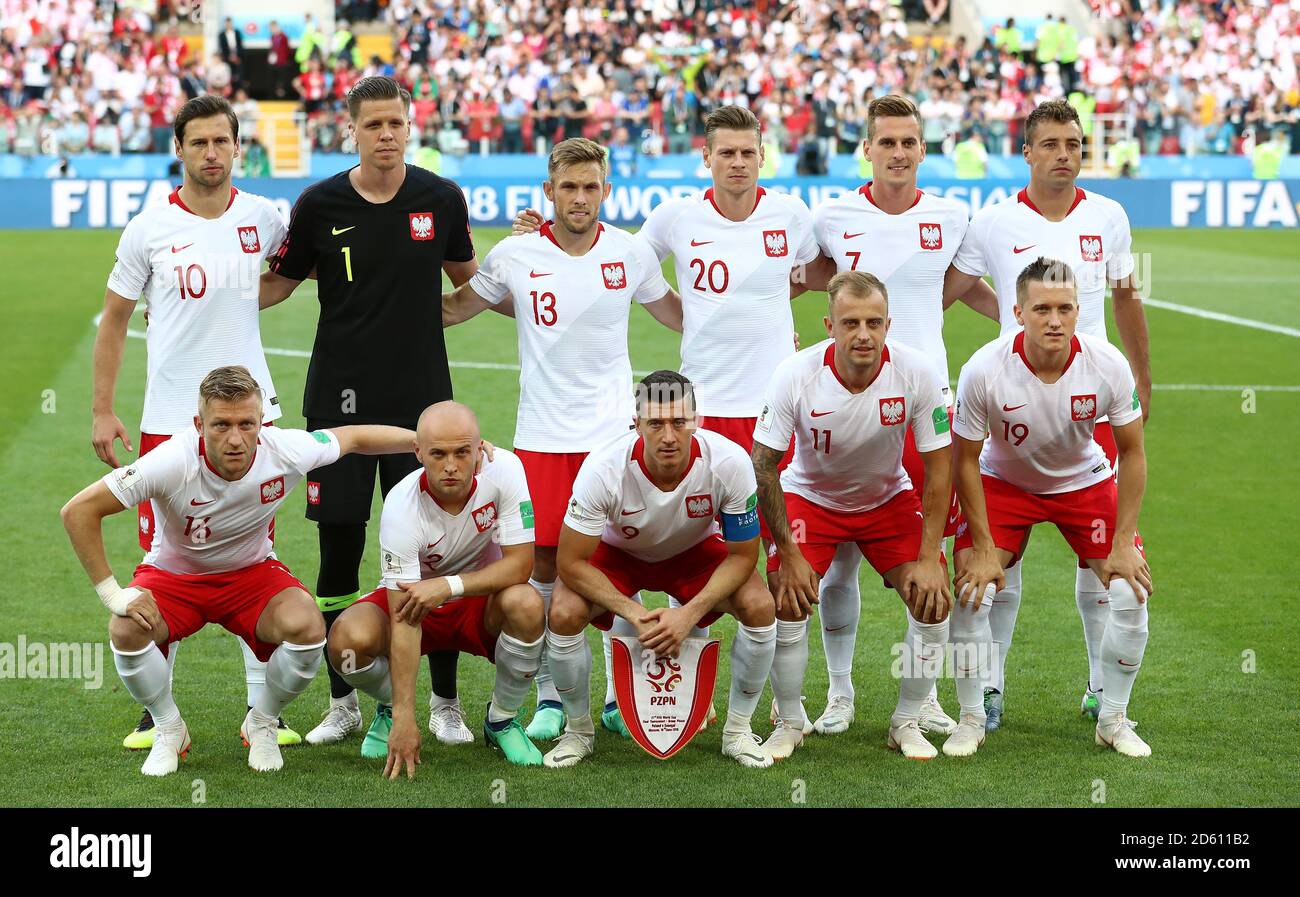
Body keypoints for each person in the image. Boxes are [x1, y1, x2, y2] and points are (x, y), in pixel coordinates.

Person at [260, 76, 479, 748]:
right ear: (349, 129)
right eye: (373, 124)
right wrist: (200, 295)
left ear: (410, 127)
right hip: (339, 405)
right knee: (340, 547)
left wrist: (428, 316)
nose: (386, 135)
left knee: (433, 554)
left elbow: (472, 285)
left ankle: (443, 702)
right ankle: (344, 701)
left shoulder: (439, 198)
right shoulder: (320, 202)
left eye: (396, 124)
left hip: (424, 409)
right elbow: (278, 284)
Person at [61, 366, 418, 776]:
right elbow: (79, 511)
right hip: (176, 578)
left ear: (261, 421)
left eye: (247, 424)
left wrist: (420, 441)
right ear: (200, 424)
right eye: (221, 425)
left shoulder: (285, 449)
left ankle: (262, 722)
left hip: (251, 576)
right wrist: (114, 594)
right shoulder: (171, 461)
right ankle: (168, 728)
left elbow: (353, 436)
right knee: (124, 628)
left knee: (307, 627)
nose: (235, 438)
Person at [442, 137, 682, 744]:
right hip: (543, 438)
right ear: (548, 192)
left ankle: (612, 697)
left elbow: (680, 314)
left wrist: (757, 310)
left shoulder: (630, 254)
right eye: (568, 187)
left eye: (590, 186)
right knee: (544, 566)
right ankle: (551, 695)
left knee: (611, 563)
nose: (580, 198)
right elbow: (453, 310)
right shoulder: (516, 254)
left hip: (611, 439)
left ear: (606, 189)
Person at [92, 94, 296, 752]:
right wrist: (102, 407)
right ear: (177, 148)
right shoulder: (148, 229)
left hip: (249, 415)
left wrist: (242, 292)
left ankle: (261, 709)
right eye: (199, 142)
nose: (211, 152)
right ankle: (159, 713)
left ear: (239, 147)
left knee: (253, 552)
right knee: (163, 558)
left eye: (222, 141)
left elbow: (302, 265)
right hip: (168, 417)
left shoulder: (265, 216)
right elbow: (117, 318)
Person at [794, 94, 1000, 738]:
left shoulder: (951, 215)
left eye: (910, 142)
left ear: (922, 148)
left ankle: (926, 697)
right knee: (839, 564)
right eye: (887, 142)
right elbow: (793, 274)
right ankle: (840, 692)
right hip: (848, 403)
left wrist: (1024, 325)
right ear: (868, 148)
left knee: (931, 560)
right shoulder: (831, 216)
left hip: (924, 404)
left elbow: (964, 285)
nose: (900, 153)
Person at [943, 98, 1151, 731]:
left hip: (1092, 397)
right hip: (1016, 398)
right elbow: (953, 287)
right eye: (1052, 144)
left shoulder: (1111, 216)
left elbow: (1125, 296)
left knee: (1105, 564)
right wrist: (1015, 324)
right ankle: (991, 692)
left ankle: (1099, 689)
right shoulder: (995, 222)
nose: (1065, 154)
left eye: (1075, 143)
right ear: (1028, 153)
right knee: (999, 561)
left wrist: (1142, 376)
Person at [952, 258, 1151, 757]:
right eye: (1042, 308)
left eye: (1065, 308)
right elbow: (964, 461)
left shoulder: (1106, 364)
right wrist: (979, 546)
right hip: (1004, 483)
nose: (1054, 320)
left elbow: (1131, 452)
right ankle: (973, 717)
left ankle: (1112, 718)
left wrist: (1124, 543)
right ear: (1018, 312)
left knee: (1130, 591)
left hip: (1083, 482)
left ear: (1079, 311)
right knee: (974, 590)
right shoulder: (984, 368)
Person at [753, 273, 957, 760]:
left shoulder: (919, 372)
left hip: (886, 501)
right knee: (787, 594)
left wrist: (931, 555)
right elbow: (763, 464)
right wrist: (787, 550)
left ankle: (906, 721)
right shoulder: (795, 374)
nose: (862, 334)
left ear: (889, 325)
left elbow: (939, 467)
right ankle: (790, 720)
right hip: (811, 499)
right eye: (850, 323)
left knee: (933, 600)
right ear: (830, 326)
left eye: (872, 322)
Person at [545, 371, 782, 769]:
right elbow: (569, 562)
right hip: (618, 556)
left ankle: (738, 731)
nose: (669, 436)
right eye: (656, 423)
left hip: (692, 553)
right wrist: (637, 614)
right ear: (636, 424)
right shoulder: (603, 468)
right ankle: (578, 732)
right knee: (564, 612)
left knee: (759, 605)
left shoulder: (728, 462)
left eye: (679, 422)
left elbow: (743, 556)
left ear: (697, 421)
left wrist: (688, 614)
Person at [328, 402, 546, 773]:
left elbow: (521, 565)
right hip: (413, 603)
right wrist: (404, 716)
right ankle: (389, 706)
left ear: (479, 449)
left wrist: (448, 586)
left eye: (462, 452)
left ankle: (502, 720)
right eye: (438, 453)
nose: (450, 465)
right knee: (346, 641)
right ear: (418, 453)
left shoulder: (506, 469)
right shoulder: (401, 505)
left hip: (477, 598)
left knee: (527, 604)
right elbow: (404, 618)